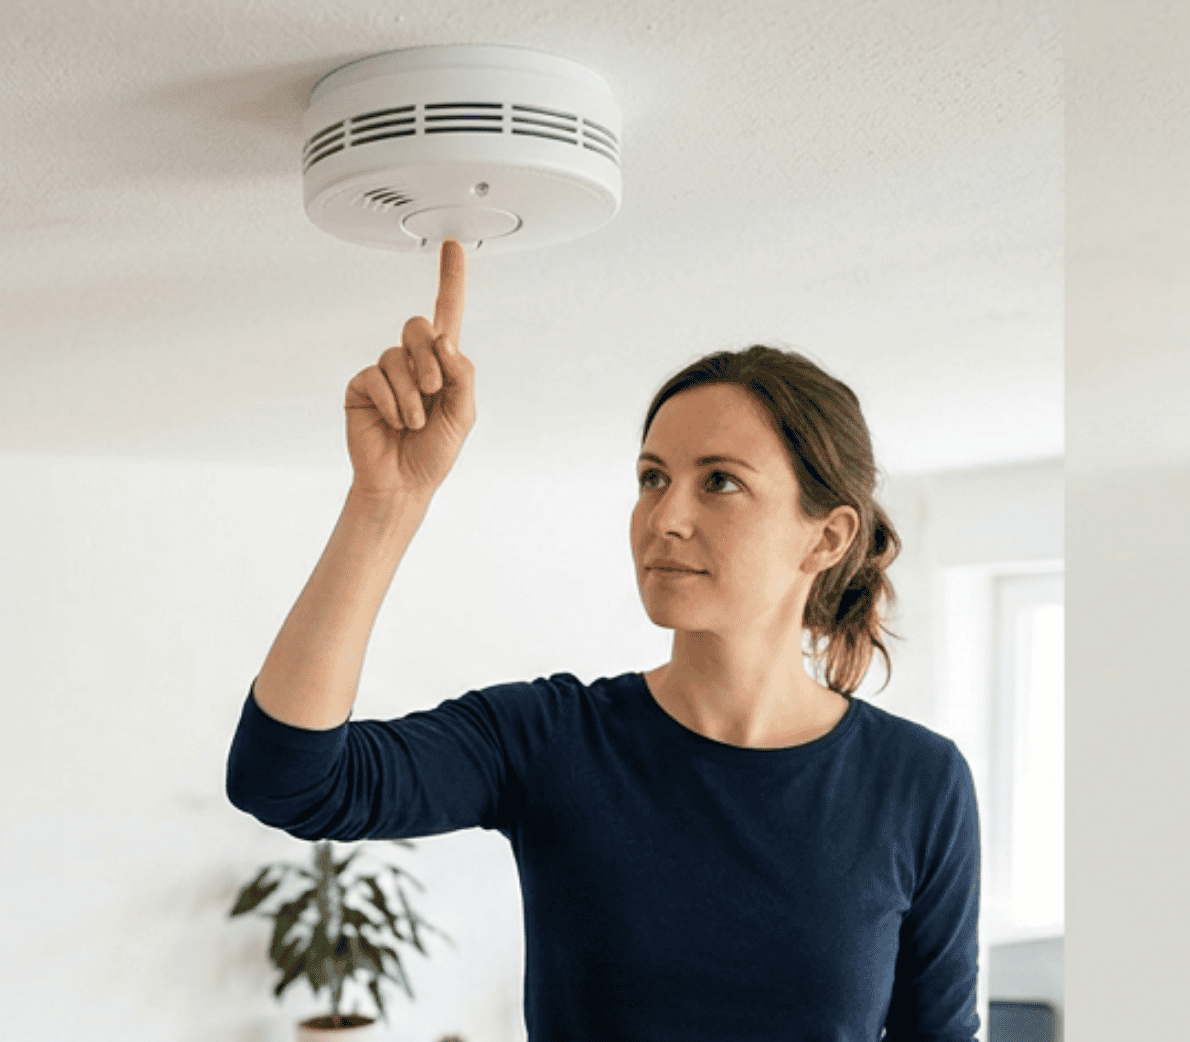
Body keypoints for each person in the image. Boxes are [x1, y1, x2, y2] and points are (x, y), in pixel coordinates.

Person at [226, 242, 980, 1040]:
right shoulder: (551, 738)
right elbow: (289, 779)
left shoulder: (920, 783)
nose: (665, 516)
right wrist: (388, 499)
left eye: (718, 480)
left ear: (826, 537)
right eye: (652, 477)